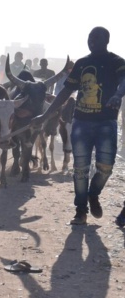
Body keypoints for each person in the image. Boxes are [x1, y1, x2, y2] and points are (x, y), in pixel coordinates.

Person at [31, 26, 125, 226]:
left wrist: (118, 95)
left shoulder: (116, 62)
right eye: (90, 38)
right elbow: (65, 93)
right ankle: (80, 211)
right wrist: (45, 115)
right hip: (81, 122)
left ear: (106, 41)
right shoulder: (81, 64)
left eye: (96, 38)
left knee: (106, 167)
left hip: (106, 122)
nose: (92, 41)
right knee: (80, 169)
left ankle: (93, 194)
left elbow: (124, 79)